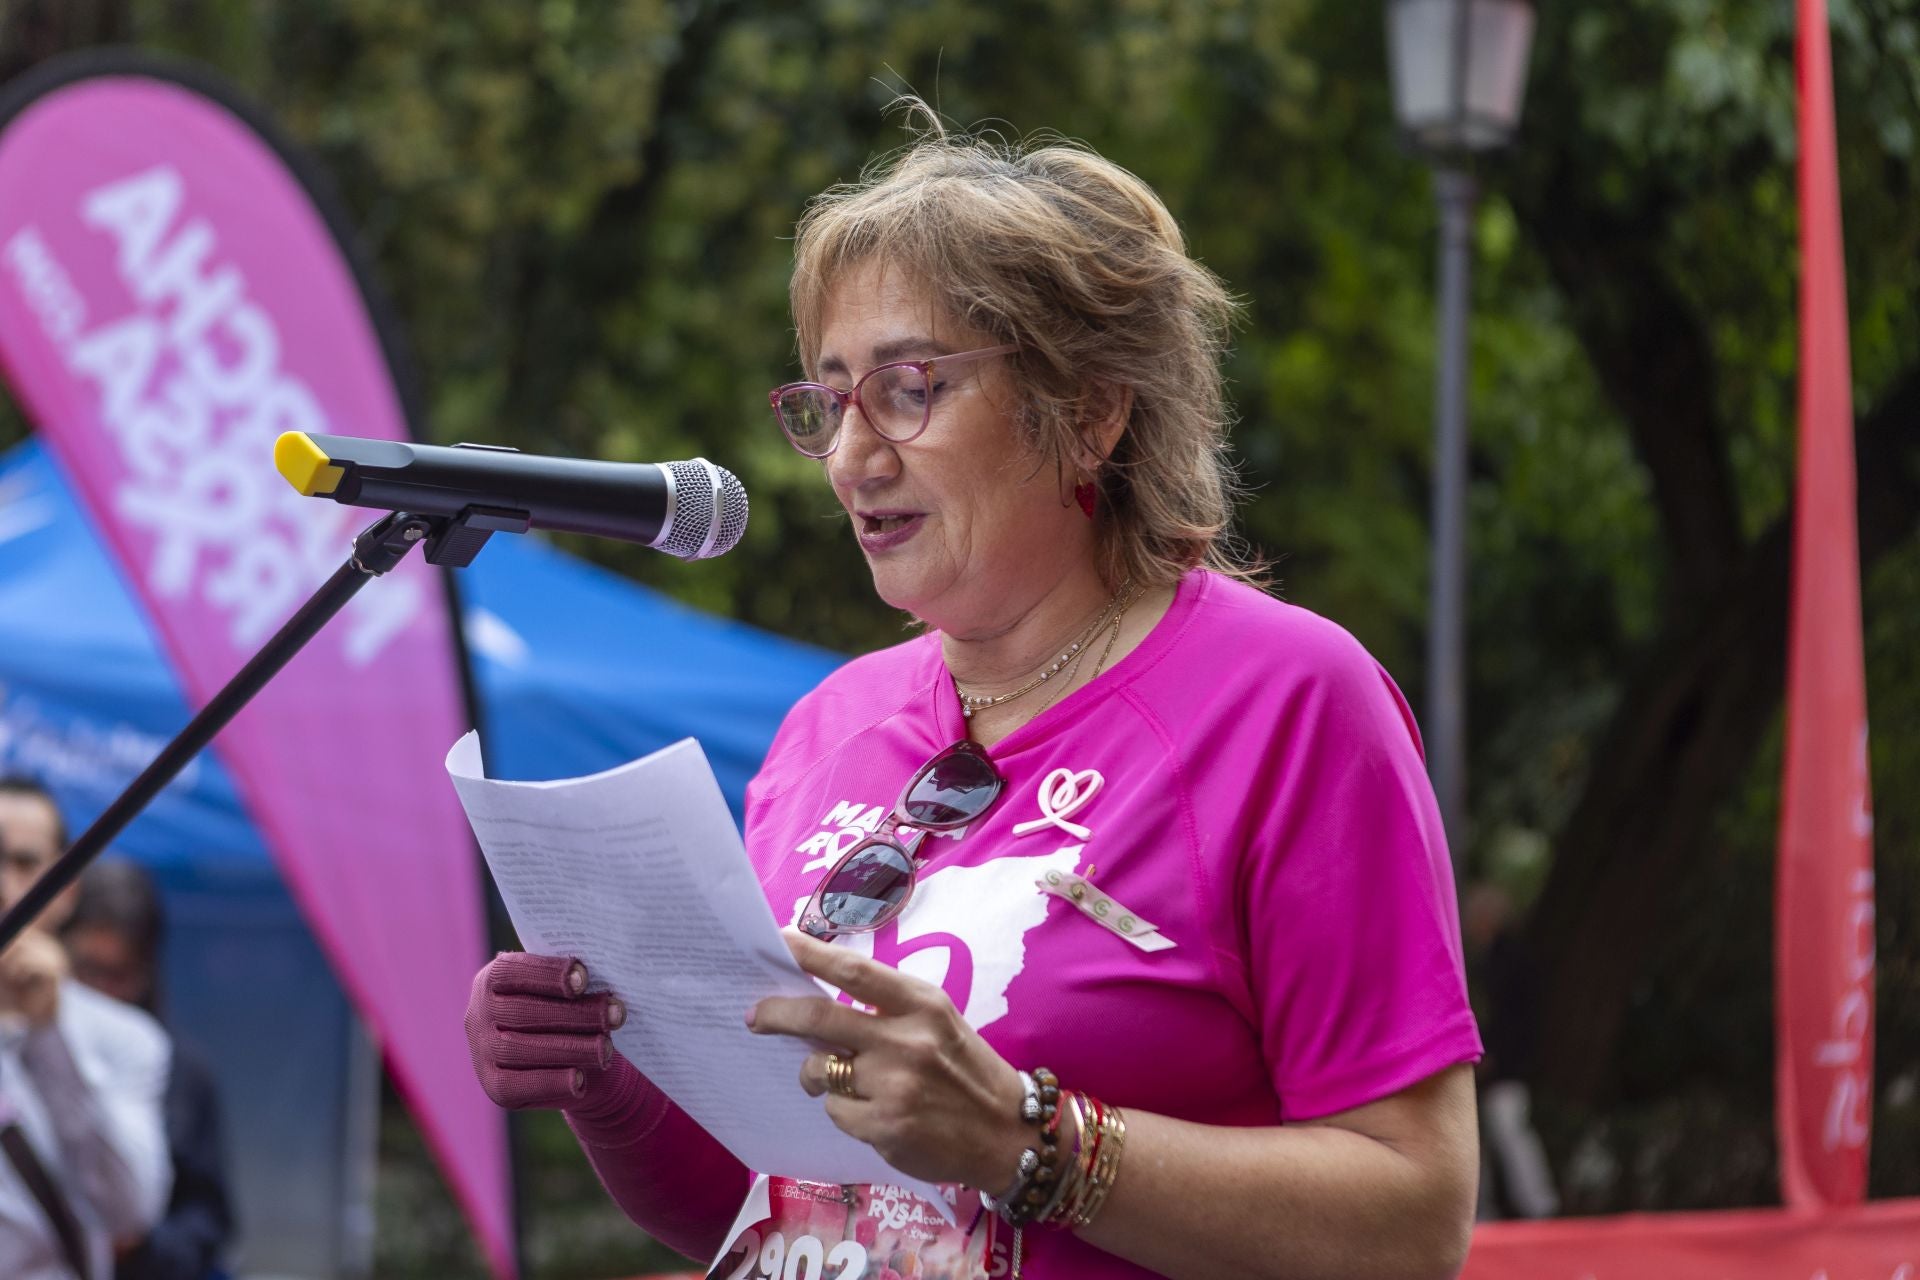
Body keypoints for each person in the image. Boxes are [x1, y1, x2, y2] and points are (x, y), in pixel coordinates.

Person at [465, 122, 1483, 1279]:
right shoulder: (826, 728)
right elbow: (765, 1208)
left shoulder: (1292, 701)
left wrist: (1025, 1138)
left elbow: (1414, 1220)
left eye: (909, 388)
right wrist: (604, 1075)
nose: (851, 454)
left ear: (1090, 411)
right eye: (831, 398)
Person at [0, 777, 171, 1280]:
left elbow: (129, 1209)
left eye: (26, 863)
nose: (4, 886)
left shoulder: (126, 1039)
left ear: (66, 887)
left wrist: (51, 1035)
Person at [63, 858, 235, 1279]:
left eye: (118, 975)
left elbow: (208, 1218)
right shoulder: (26, 1051)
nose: (100, 994)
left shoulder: (181, 1071)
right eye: (87, 970)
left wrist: (141, 1245)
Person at [1460, 882, 1558, 1220]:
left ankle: (1538, 1205)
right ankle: (1483, 1211)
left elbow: (1510, 1019)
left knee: (1509, 1131)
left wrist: (1494, 1055)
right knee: (1480, 1138)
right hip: (1490, 1064)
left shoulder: (1506, 962)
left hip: (1505, 1066)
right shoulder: (1489, 960)